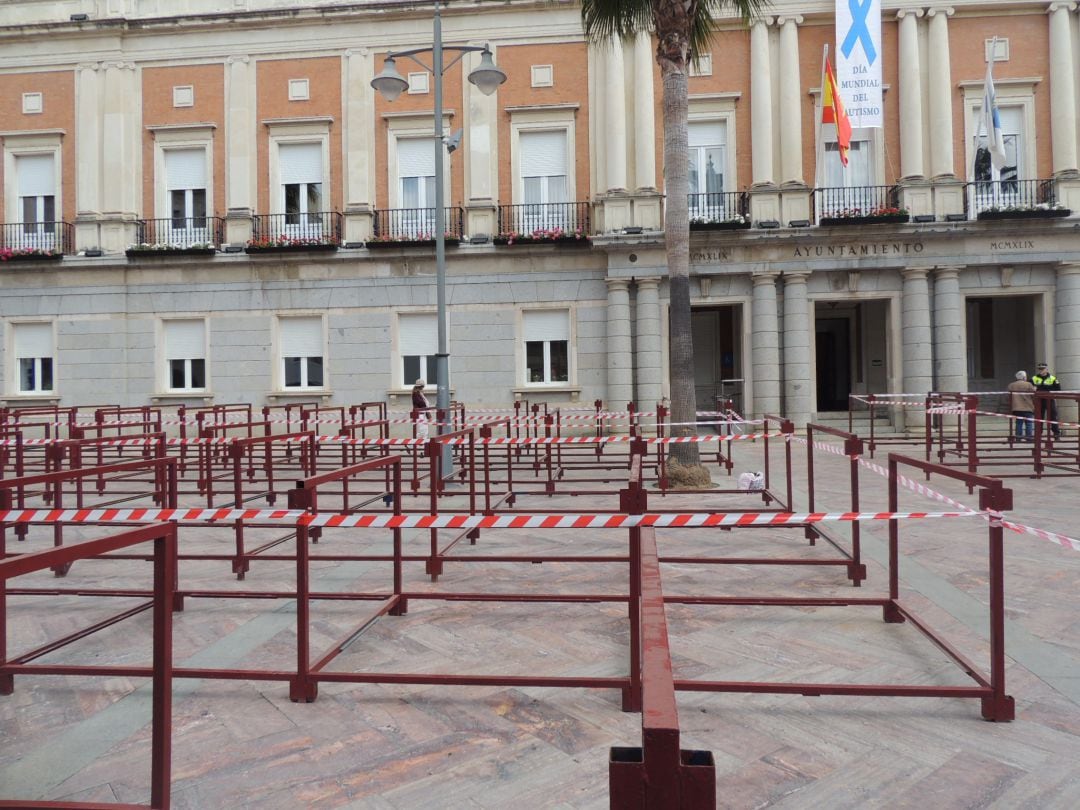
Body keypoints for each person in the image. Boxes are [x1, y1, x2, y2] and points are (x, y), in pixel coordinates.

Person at [1032, 362, 1062, 439]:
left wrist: (1048, 391)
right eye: (1040, 369)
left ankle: (1056, 433)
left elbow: (1058, 389)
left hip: (1050, 399)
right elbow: (1029, 388)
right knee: (1039, 417)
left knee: (1053, 416)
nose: (1041, 370)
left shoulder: (1053, 378)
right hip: (1039, 400)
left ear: (1046, 369)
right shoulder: (1034, 378)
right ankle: (1038, 433)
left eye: (1043, 369)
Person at [1006, 370, 1036, 441]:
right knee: (1029, 423)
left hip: (1016, 408)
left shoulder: (1011, 385)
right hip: (1028, 407)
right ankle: (1029, 439)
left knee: (1019, 423)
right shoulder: (1028, 384)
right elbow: (1034, 395)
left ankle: (1018, 438)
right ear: (1024, 377)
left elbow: (1007, 397)